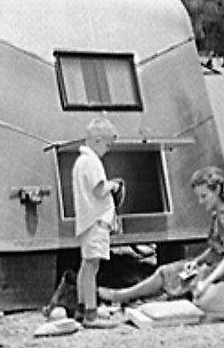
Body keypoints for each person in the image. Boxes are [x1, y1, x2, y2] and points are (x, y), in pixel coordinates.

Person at [98, 166, 224, 311]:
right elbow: (216, 249)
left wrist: (207, 281)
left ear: (217, 190)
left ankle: (122, 296)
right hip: (220, 264)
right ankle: (124, 295)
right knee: (169, 271)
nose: (201, 201)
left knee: (173, 277)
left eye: (204, 196)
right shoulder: (220, 213)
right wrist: (197, 261)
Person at [73, 117, 123, 329]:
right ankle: (91, 315)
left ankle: (81, 307)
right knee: (92, 266)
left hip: (88, 222)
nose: (108, 150)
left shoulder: (81, 161)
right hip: (96, 222)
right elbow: (99, 189)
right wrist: (114, 185)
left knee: (86, 266)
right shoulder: (92, 161)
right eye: (108, 145)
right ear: (97, 140)